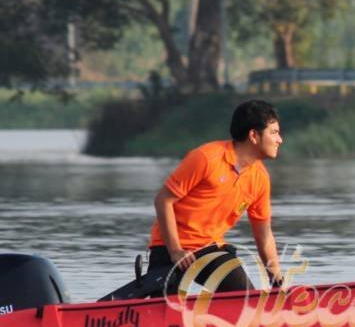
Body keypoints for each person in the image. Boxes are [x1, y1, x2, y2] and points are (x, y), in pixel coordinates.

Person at [102, 99, 284, 300]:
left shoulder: (260, 178)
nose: (279, 140)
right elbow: (163, 200)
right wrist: (175, 251)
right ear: (253, 136)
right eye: (274, 133)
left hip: (210, 250)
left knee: (245, 299)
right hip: (169, 248)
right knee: (163, 313)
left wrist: (276, 281)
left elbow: (264, 235)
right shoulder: (206, 158)